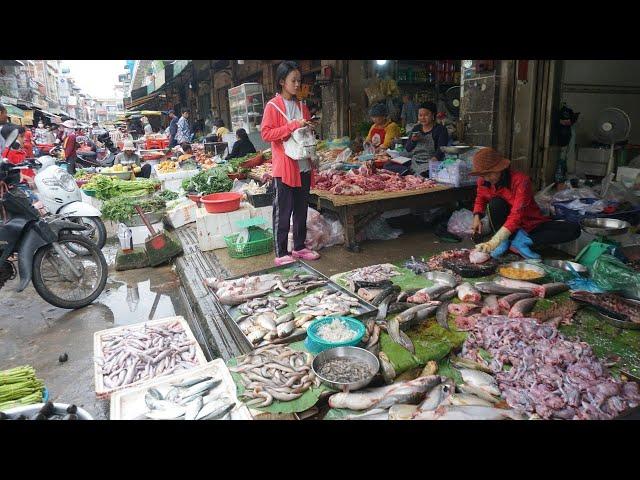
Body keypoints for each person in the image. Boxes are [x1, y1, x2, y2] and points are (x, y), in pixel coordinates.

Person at [470, 147, 581, 259]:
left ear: (500, 168)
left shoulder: (521, 181)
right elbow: (480, 198)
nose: (487, 178)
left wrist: (494, 242)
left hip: (529, 223)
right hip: (504, 226)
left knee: (574, 229)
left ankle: (521, 242)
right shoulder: (484, 181)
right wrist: (476, 216)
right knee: (495, 204)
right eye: (483, 175)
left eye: (490, 174)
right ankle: (506, 241)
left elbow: (517, 215)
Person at [261, 60, 320, 266]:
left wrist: (308, 129)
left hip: (303, 164)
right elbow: (267, 133)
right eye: (293, 80)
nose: (297, 85)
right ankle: (280, 252)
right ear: (281, 82)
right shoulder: (273, 106)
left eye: (299, 80)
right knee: (283, 211)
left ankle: (300, 247)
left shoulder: (301, 106)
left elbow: (302, 135)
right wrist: (293, 125)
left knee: (301, 209)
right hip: (284, 167)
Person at [404, 102, 449, 177]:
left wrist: (435, 159)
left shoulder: (440, 129)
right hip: (415, 162)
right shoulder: (416, 128)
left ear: (433, 115)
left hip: (430, 162)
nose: (422, 118)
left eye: (426, 115)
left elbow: (441, 148)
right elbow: (408, 148)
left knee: (422, 175)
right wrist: (413, 141)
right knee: (389, 166)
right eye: (420, 115)